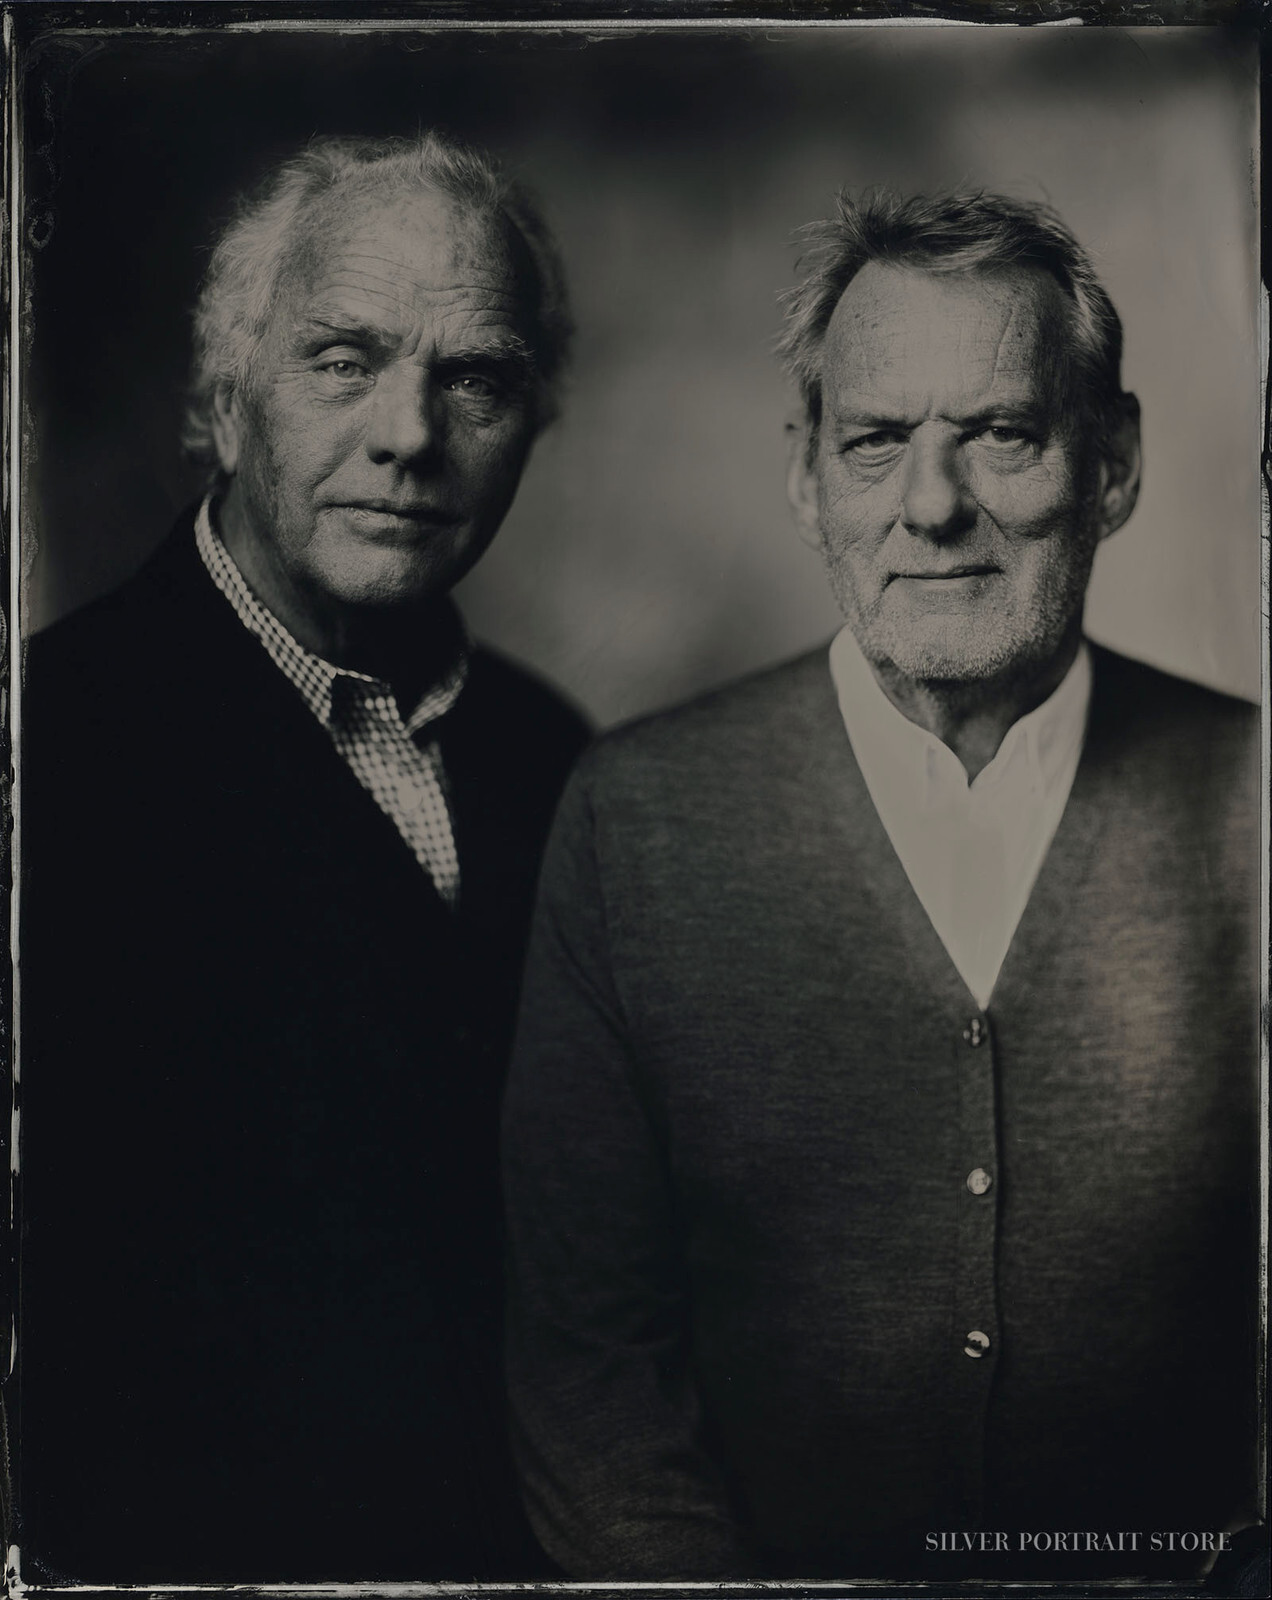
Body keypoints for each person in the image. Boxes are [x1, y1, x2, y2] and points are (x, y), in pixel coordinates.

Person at [503, 190, 1260, 1583]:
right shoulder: (636, 821)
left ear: (1115, 463)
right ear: (807, 481)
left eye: (1003, 435)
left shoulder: (1254, 808)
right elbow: (589, 1369)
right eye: (875, 444)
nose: (932, 506)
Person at [19, 132, 588, 1583]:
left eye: (479, 378)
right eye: (346, 357)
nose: (412, 433)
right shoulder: (48, 757)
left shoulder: (558, 759)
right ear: (221, 400)